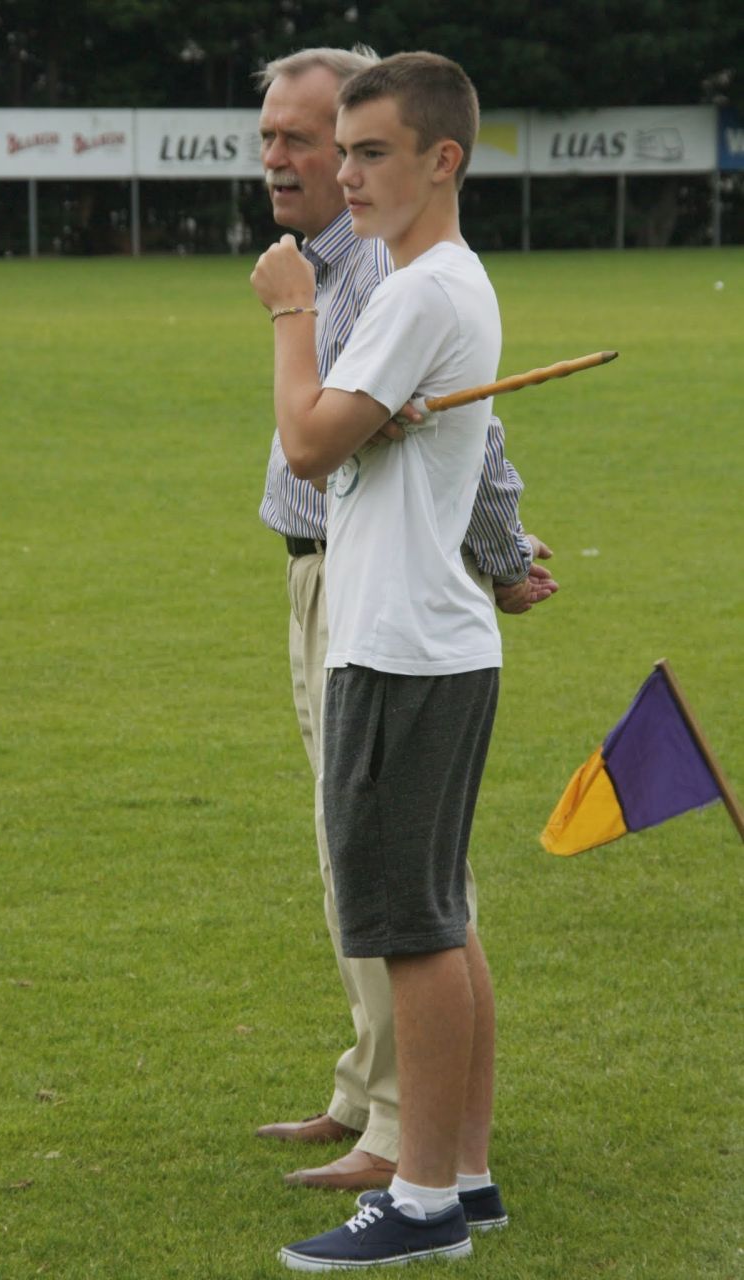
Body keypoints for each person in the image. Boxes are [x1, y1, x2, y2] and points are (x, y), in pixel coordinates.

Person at [253, 48, 557, 1212]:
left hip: (395, 640)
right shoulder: (442, 282)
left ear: (442, 159)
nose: (342, 172)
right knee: (436, 914)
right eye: (341, 151)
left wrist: (290, 313)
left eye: (366, 152)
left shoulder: (410, 287)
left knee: (411, 924)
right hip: (429, 636)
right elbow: (398, 433)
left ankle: (421, 1193)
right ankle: (461, 1172)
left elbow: (310, 442)